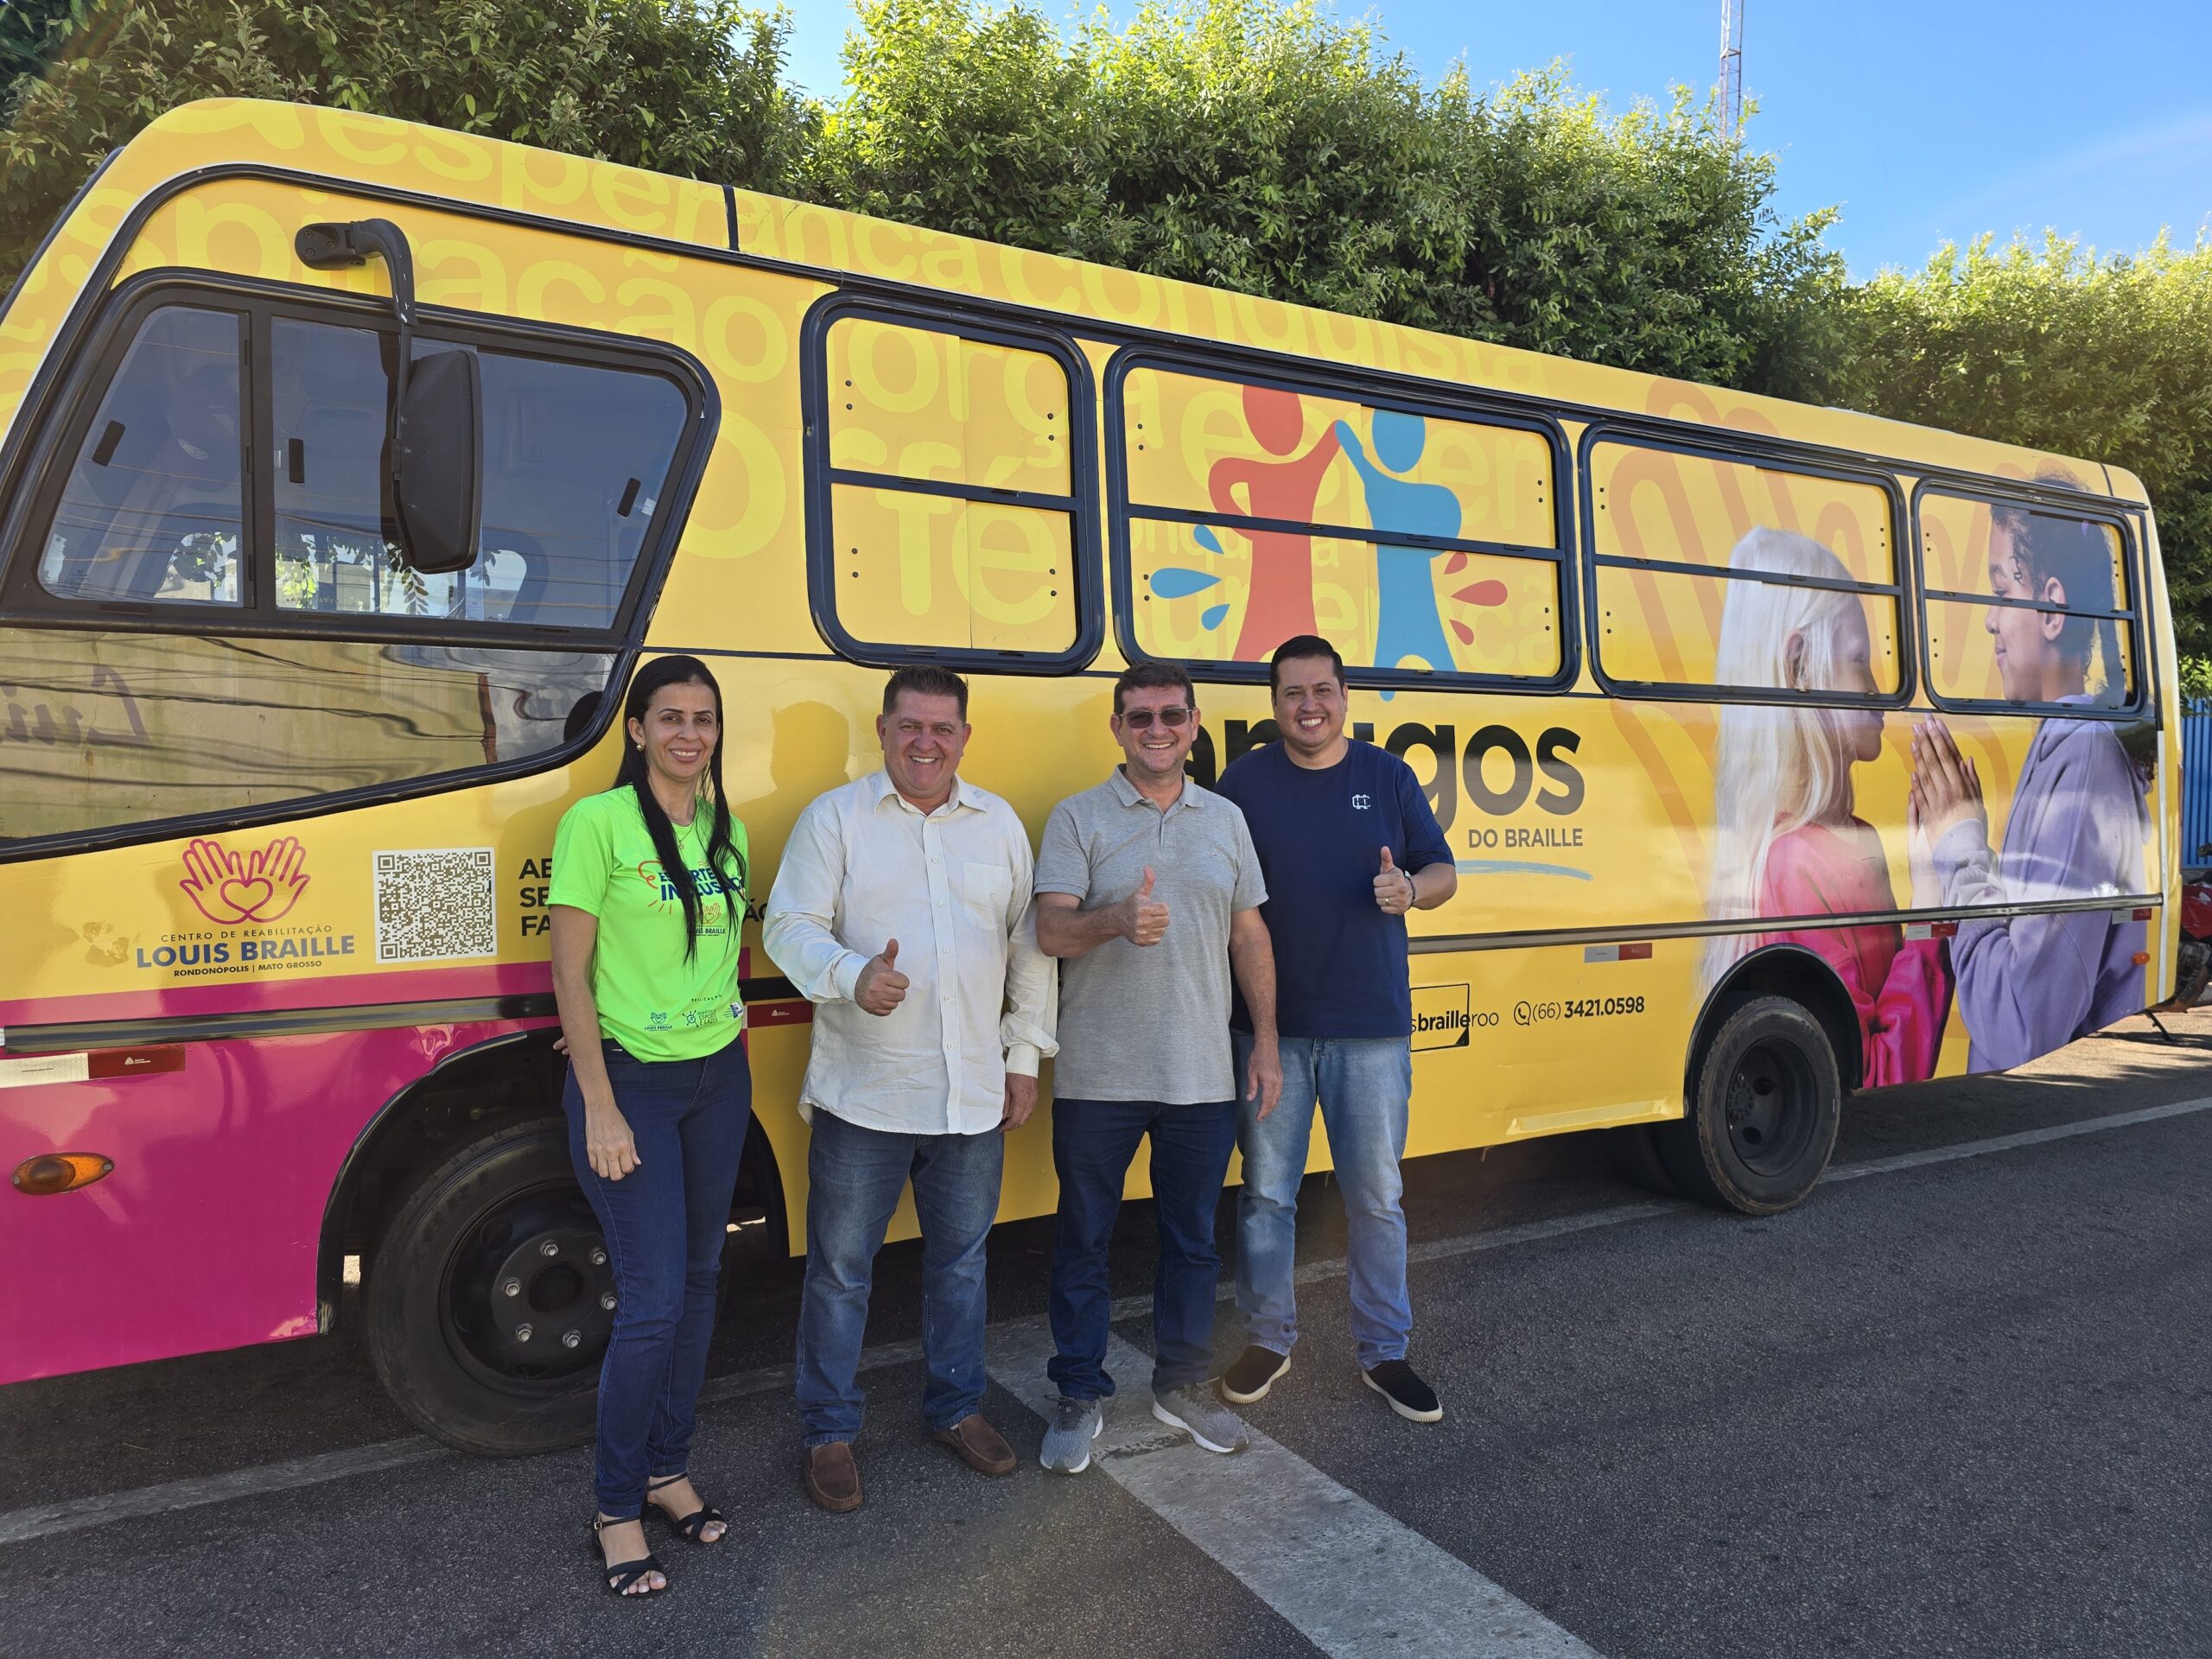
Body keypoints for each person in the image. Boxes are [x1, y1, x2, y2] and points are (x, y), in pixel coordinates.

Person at [763, 665, 1057, 1512]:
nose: (925, 743)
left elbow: (1030, 948)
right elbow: (789, 925)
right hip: (866, 1093)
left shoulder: (997, 824)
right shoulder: (837, 819)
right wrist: (853, 976)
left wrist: (1022, 1058)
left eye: (943, 729)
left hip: (971, 1093)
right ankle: (828, 1431)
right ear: (883, 729)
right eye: (909, 727)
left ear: (965, 736)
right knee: (841, 1272)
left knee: (960, 1267)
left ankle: (956, 1409)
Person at [1032, 661, 1284, 1471]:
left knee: (1192, 1243)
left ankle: (1182, 1387)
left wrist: (1268, 1043)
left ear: (1195, 724)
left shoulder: (1229, 820)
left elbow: (1249, 936)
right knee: (1083, 1239)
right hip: (1098, 1076)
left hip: (1201, 1075)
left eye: (1171, 715)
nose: (1157, 730)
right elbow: (1051, 933)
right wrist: (1115, 920)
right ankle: (1078, 1392)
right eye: (1139, 717)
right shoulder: (1078, 818)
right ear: (1117, 729)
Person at [548, 653, 753, 1599]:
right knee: (654, 1300)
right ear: (635, 730)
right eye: (669, 717)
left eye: (703, 718)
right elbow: (569, 974)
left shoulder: (724, 827)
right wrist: (598, 1100)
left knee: (705, 1279)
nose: (688, 733)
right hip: (633, 1089)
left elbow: (720, 959)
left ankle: (670, 1469)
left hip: (720, 1078)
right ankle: (616, 1507)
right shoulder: (597, 823)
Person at [1212, 634, 1457, 1422]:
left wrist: (1411, 892)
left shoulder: (1387, 775)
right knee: (1266, 1197)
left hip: (1370, 1030)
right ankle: (1269, 1339)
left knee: (1377, 1197)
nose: (1308, 706)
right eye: (1292, 693)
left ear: (1344, 695)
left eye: (1321, 690)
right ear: (1273, 702)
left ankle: (1385, 1351)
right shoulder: (1243, 782)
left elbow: (1443, 869)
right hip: (1269, 1032)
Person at [1700, 528, 1954, 1085]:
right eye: (1859, 660)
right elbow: (1872, 1072)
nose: (1877, 688)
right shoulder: (1796, 866)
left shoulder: (1850, 838)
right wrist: (1930, 922)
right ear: (1798, 668)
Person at [1911, 497, 2152, 1071]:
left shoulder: (2082, 760)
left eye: (2001, 593)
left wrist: (1961, 851)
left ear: (2051, 611)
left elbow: (2021, 1028)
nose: (1990, 619)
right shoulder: (2065, 746)